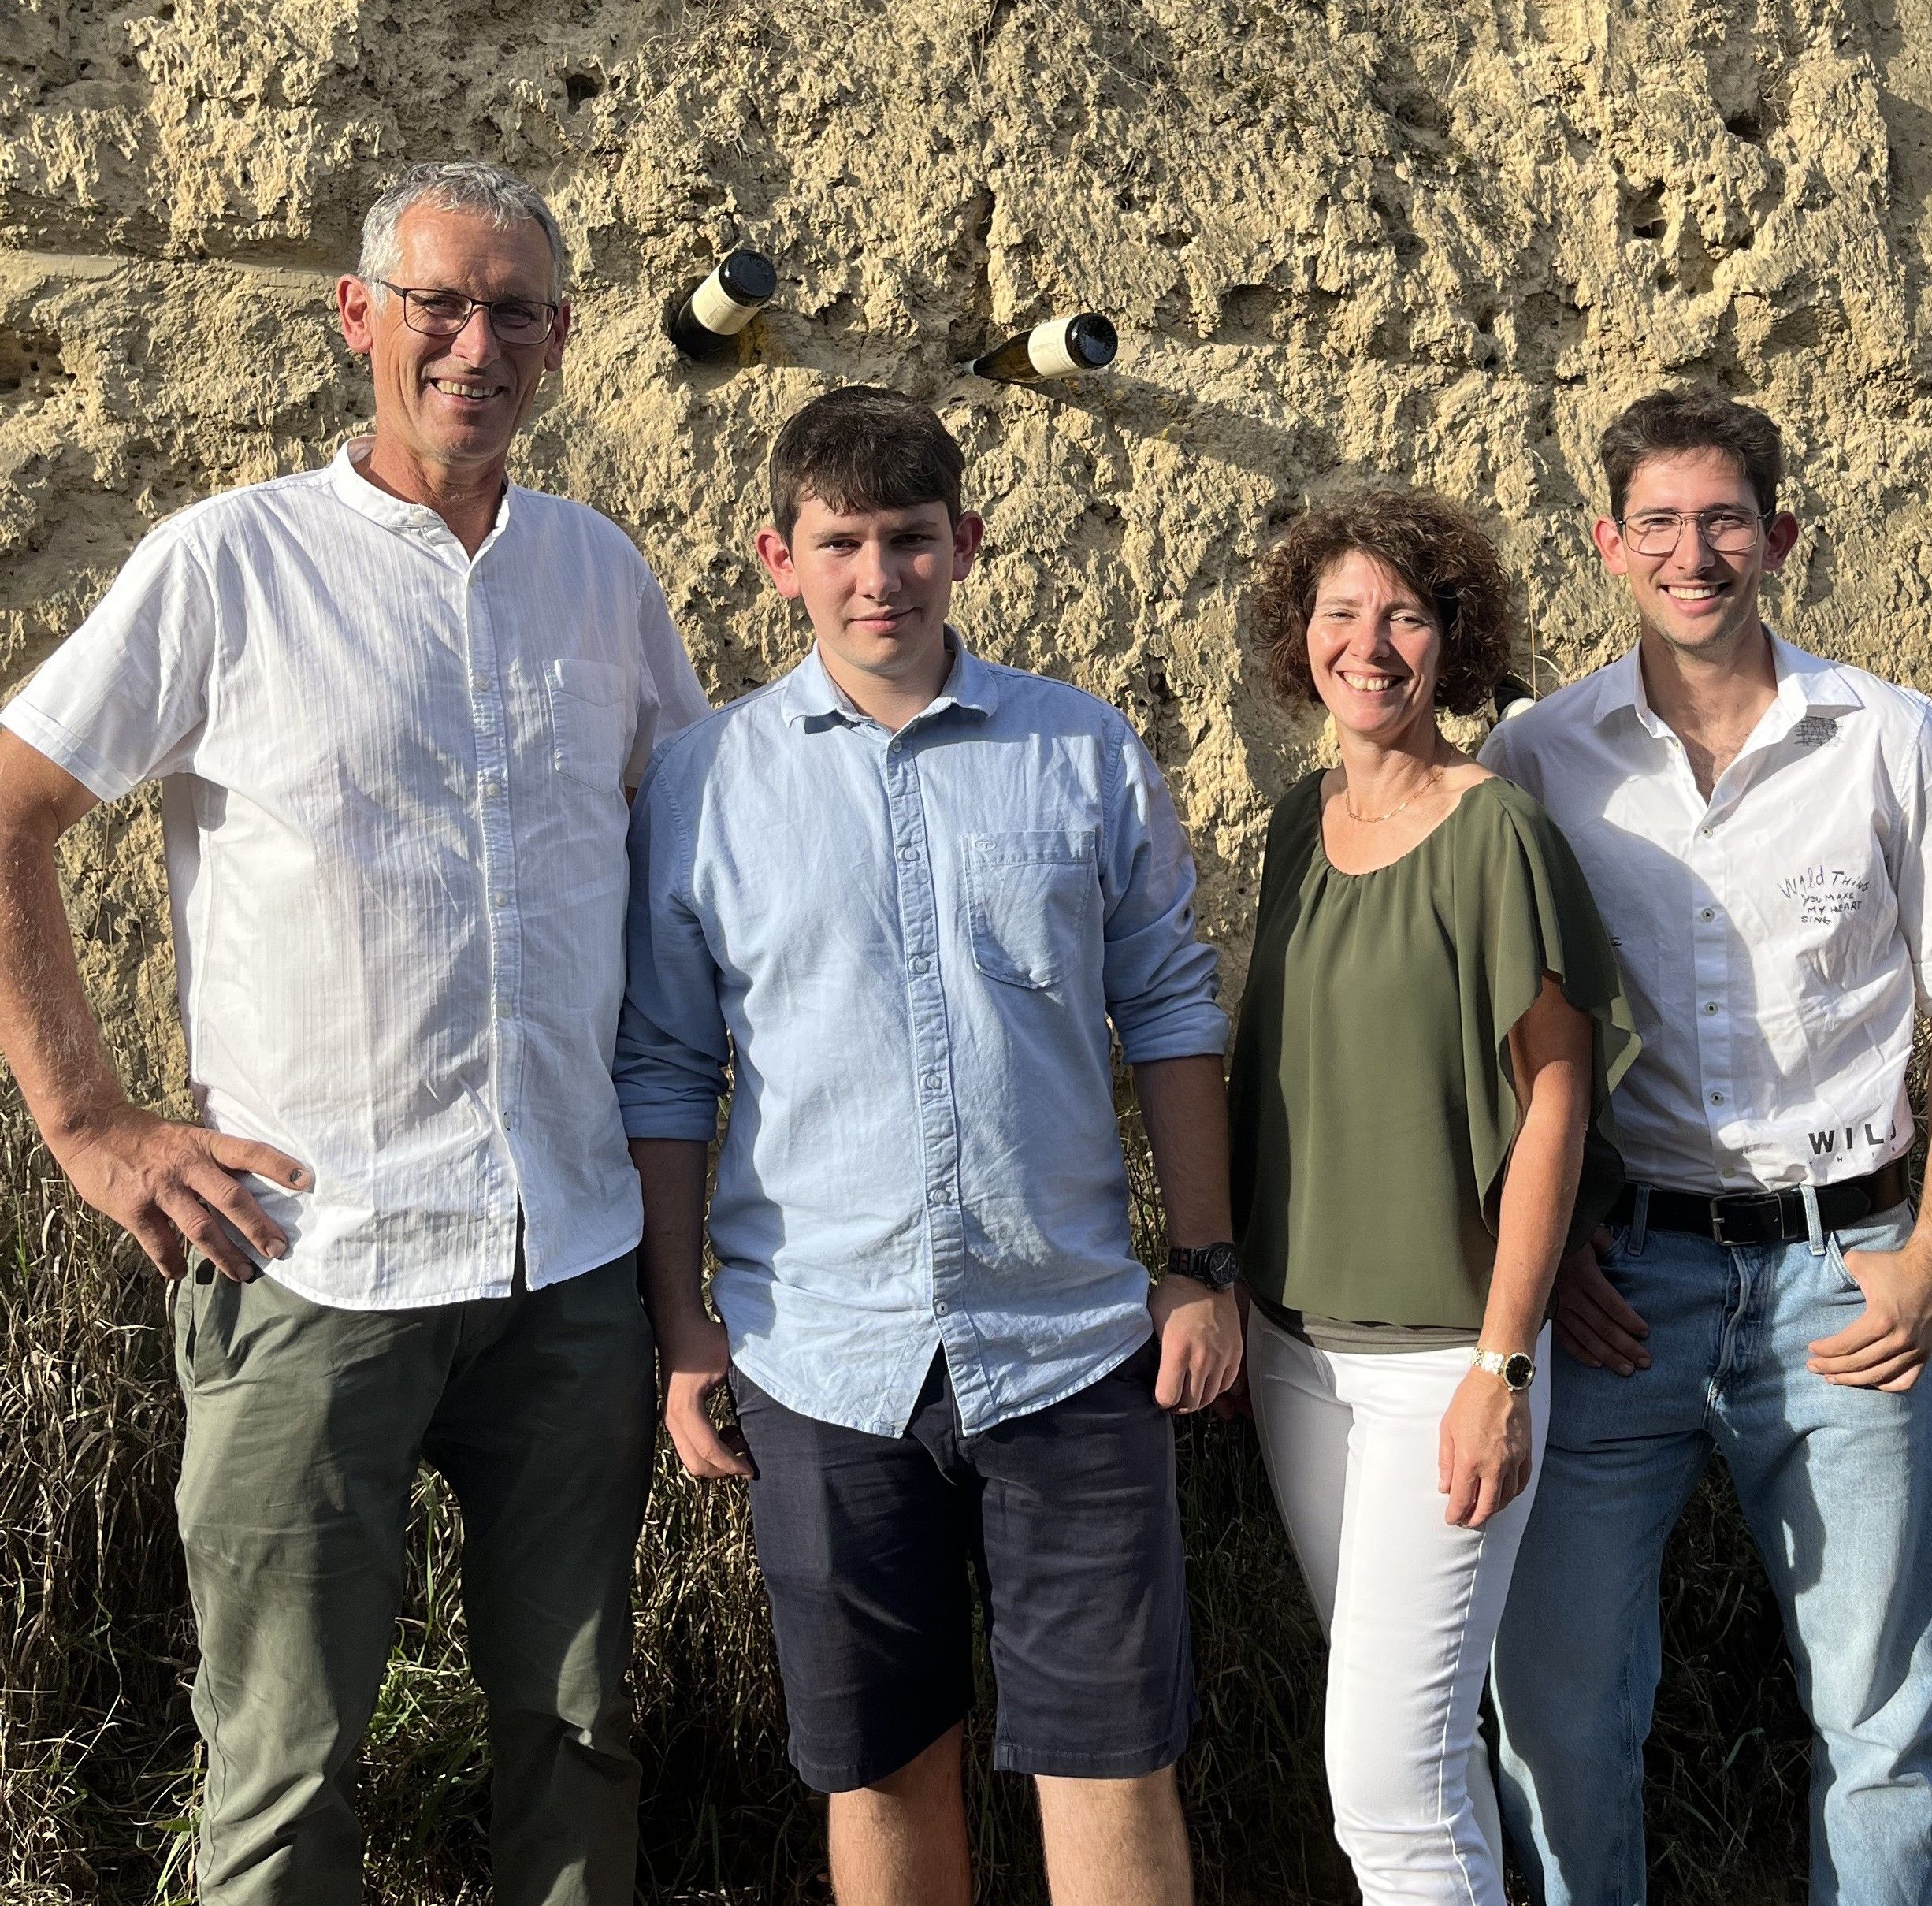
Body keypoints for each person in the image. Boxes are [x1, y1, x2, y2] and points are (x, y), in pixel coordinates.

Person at [0, 162, 710, 1903]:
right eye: (439, 306)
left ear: (557, 342)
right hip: (311, 1260)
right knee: (287, 1761)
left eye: (516, 312)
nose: (477, 345)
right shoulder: (228, 566)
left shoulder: (603, 580)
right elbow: (9, 809)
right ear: (359, 318)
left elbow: (693, 872)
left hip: (572, 1264)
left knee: (579, 1739)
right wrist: (93, 1124)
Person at [613, 385, 1241, 1906]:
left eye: (910, 539)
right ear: (779, 556)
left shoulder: (1079, 751)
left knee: (1112, 1765)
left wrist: (1203, 1265)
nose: (879, 576)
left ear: (967, 541)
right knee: (884, 1767)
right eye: (843, 543)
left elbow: (1167, 1007)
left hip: (1074, 1344)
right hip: (820, 1352)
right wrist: (683, 1323)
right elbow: (668, 1065)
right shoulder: (707, 784)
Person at [1481, 385, 1932, 1906]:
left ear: (1777, 536)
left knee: (1882, 1712)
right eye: (1657, 522)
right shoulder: (1543, 756)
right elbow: (1514, 1029)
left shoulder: (1891, 738)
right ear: (1608, 545)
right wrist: (1559, 1242)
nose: (1691, 551)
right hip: (1621, 1292)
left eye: (1723, 519)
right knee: (1559, 1714)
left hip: (1845, 1283)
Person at [1228, 491, 1638, 1905]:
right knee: (1424, 1748)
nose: (1370, 643)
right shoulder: (1300, 825)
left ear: (1453, 642)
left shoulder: (1495, 833)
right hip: (1299, 1357)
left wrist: (1501, 1365)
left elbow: (1556, 1107)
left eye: (1405, 613)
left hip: (1441, 1372)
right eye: (1341, 612)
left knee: (1385, 1791)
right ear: (1301, 638)